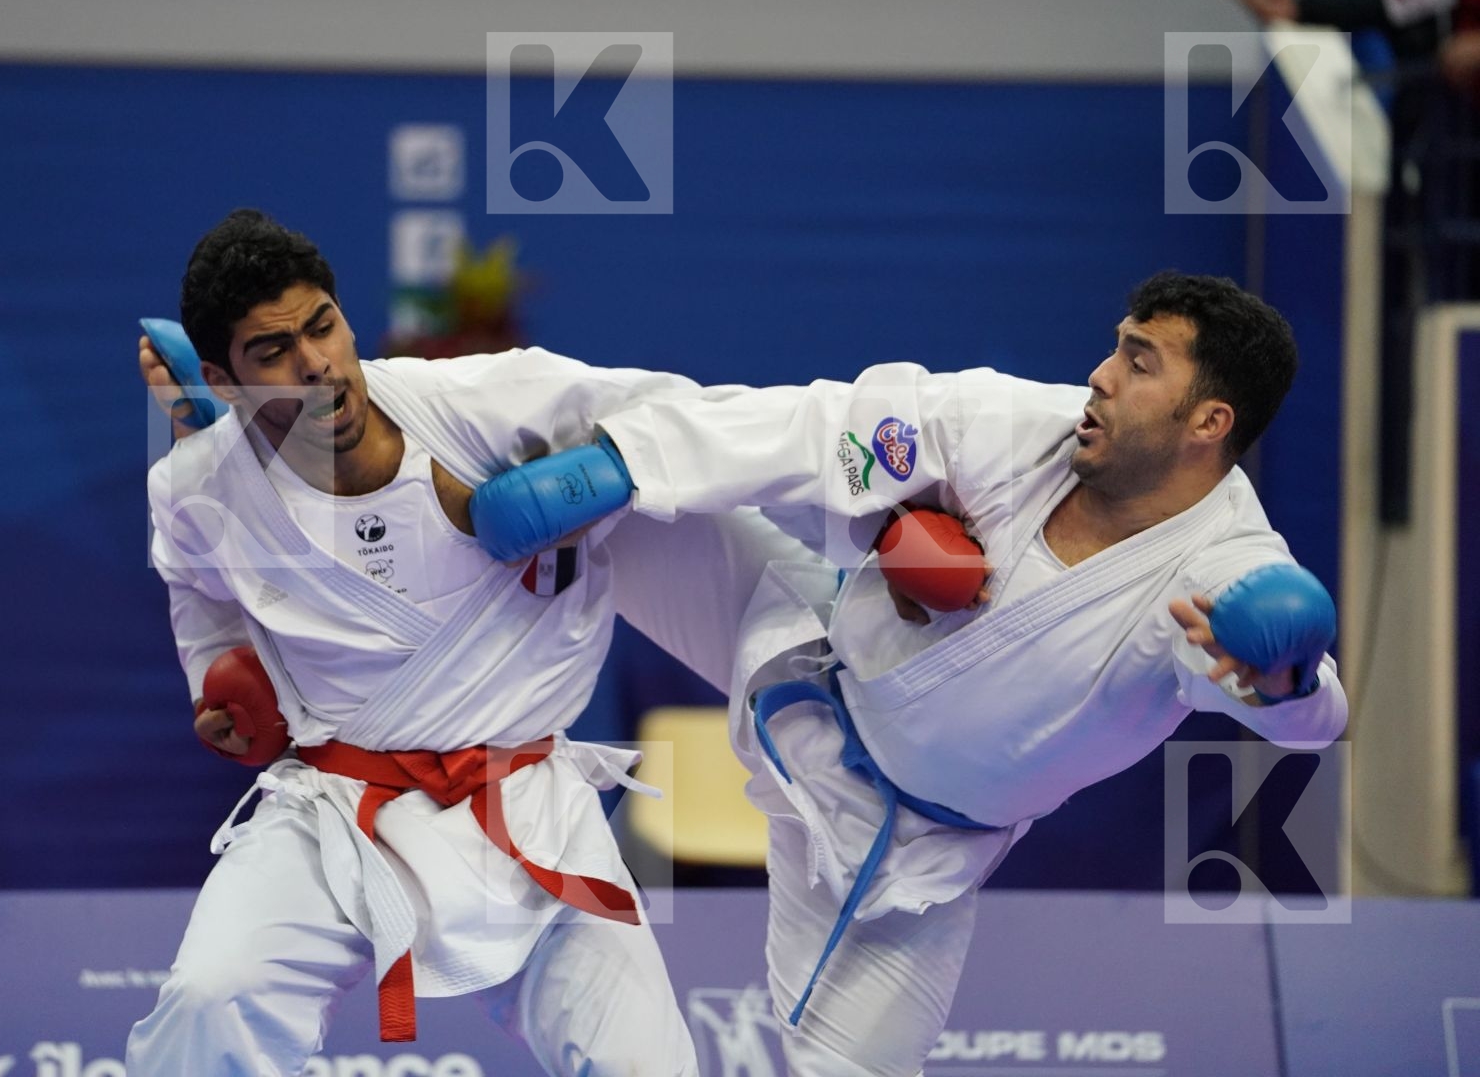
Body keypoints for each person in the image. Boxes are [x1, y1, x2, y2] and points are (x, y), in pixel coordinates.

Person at [469, 271, 1350, 1077]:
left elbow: (1316, 719)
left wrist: (1283, 684)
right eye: (1117, 345)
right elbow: (815, 431)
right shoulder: (1015, 426)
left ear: (1209, 422)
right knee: (607, 466)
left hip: (910, 865)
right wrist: (622, 463)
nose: (1101, 375)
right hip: (798, 654)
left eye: (1138, 363)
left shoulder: (1221, 578)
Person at [125, 209, 701, 1076]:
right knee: (212, 999)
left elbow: (698, 429)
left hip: (523, 808)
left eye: (322, 325)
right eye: (273, 352)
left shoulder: (484, 408)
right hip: (336, 816)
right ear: (222, 376)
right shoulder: (195, 484)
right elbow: (202, 592)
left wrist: (884, 455)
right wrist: (218, 675)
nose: (317, 366)